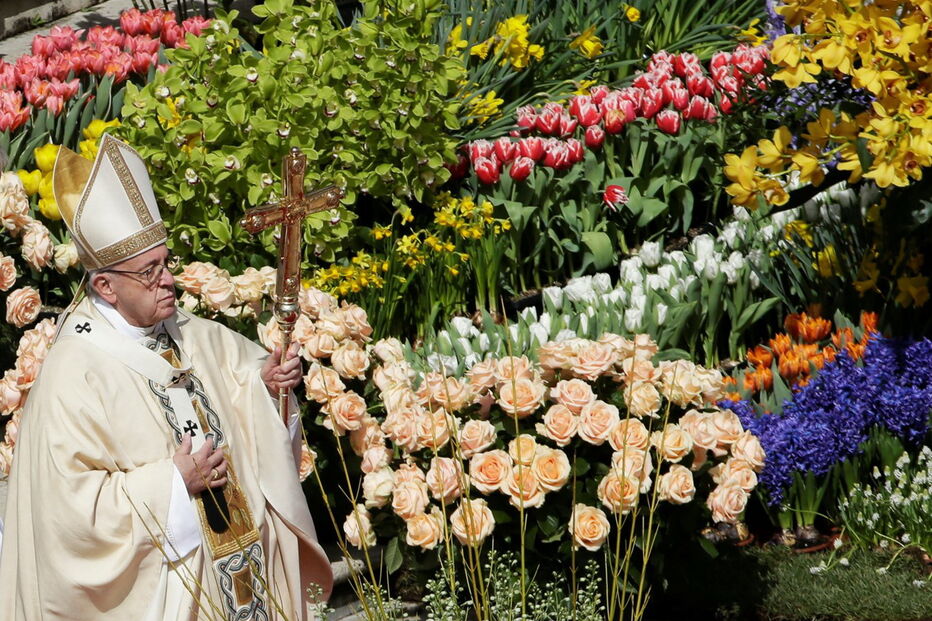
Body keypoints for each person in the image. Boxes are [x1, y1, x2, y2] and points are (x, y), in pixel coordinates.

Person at [0, 134, 333, 620]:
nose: (169, 281)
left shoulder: (193, 333)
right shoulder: (72, 376)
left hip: (244, 578)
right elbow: (66, 517)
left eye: (166, 264)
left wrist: (265, 387)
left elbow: (242, 391)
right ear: (105, 286)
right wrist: (173, 485)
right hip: (167, 593)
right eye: (149, 272)